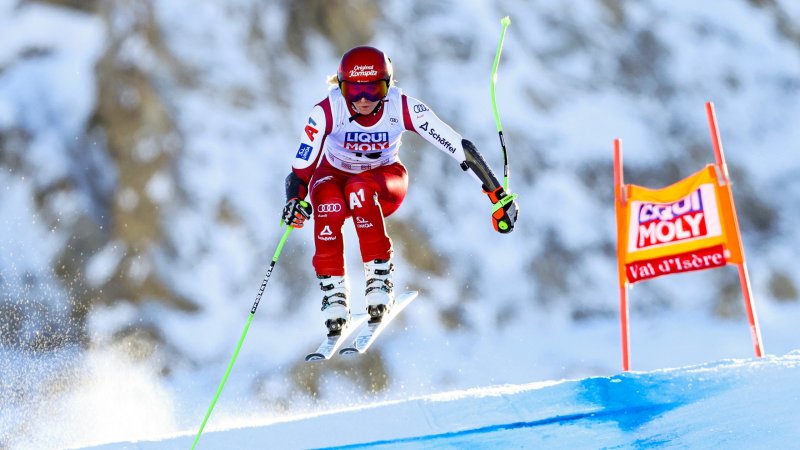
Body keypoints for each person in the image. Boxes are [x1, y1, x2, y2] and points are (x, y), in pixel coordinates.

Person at [281, 46, 519, 335]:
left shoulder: (401, 106)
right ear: (341, 87)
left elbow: (457, 146)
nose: (365, 99)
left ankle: (379, 280)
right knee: (327, 201)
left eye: (375, 89)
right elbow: (302, 169)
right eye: (354, 92)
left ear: (388, 85)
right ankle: (334, 297)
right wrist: (294, 201)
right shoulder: (327, 110)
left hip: (383, 181)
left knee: (359, 189)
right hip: (333, 177)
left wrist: (497, 195)